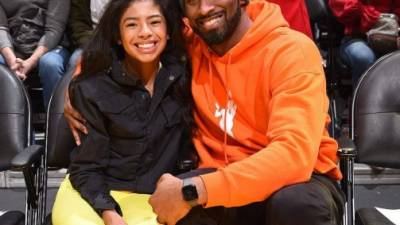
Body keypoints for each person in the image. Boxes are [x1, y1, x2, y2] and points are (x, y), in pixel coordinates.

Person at [65, 0, 345, 225]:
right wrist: (76, 83)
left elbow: (292, 157)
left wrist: (196, 190)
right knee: (176, 206)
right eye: (192, 2)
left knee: (295, 205)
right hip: (220, 177)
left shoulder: (291, 50)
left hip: (296, 181)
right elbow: (131, 36)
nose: (205, 8)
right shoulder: (196, 40)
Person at [52, 0, 193, 224]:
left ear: (168, 32)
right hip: (93, 193)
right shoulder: (92, 87)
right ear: (118, 35)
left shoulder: (186, 80)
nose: (145, 32)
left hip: (154, 196)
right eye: (131, 25)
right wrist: (109, 214)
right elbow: (87, 168)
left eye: (155, 22)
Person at [0, 0, 70, 106]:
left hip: (50, 46)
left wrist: (32, 61)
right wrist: (12, 62)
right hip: (12, 46)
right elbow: (1, 29)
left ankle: (54, 117)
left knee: (51, 64)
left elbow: (54, 29)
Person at [329, 0, 400, 86]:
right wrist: (368, 13)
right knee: (364, 57)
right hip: (357, 37)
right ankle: (360, 98)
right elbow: (343, 10)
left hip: (391, 37)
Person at [67, 0, 111, 69]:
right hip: (90, 41)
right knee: (76, 60)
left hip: (118, 41)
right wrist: (93, 45)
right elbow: (78, 25)